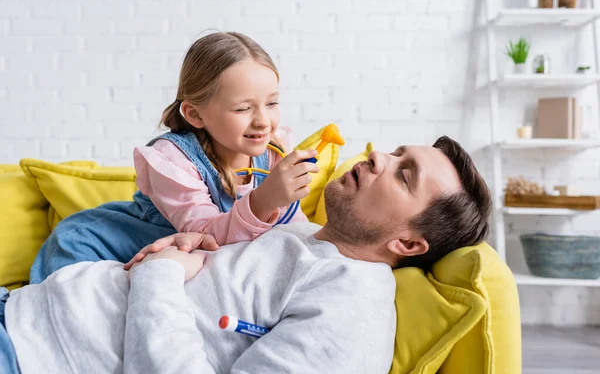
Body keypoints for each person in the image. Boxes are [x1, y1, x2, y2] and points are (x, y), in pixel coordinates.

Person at [1, 135, 492, 374]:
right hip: (25, 311)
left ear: (408, 245)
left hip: (32, 355)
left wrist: (162, 272)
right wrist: (188, 244)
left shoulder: (354, 309)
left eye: (404, 175)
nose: (380, 158)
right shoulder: (302, 234)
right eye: (396, 152)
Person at [29, 32, 317, 284]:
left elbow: (293, 228)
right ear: (195, 114)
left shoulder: (274, 150)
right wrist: (265, 200)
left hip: (167, 264)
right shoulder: (171, 158)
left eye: (272, 103)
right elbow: (205, 239)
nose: (263, 121)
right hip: (96, 246)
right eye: (243, 109)